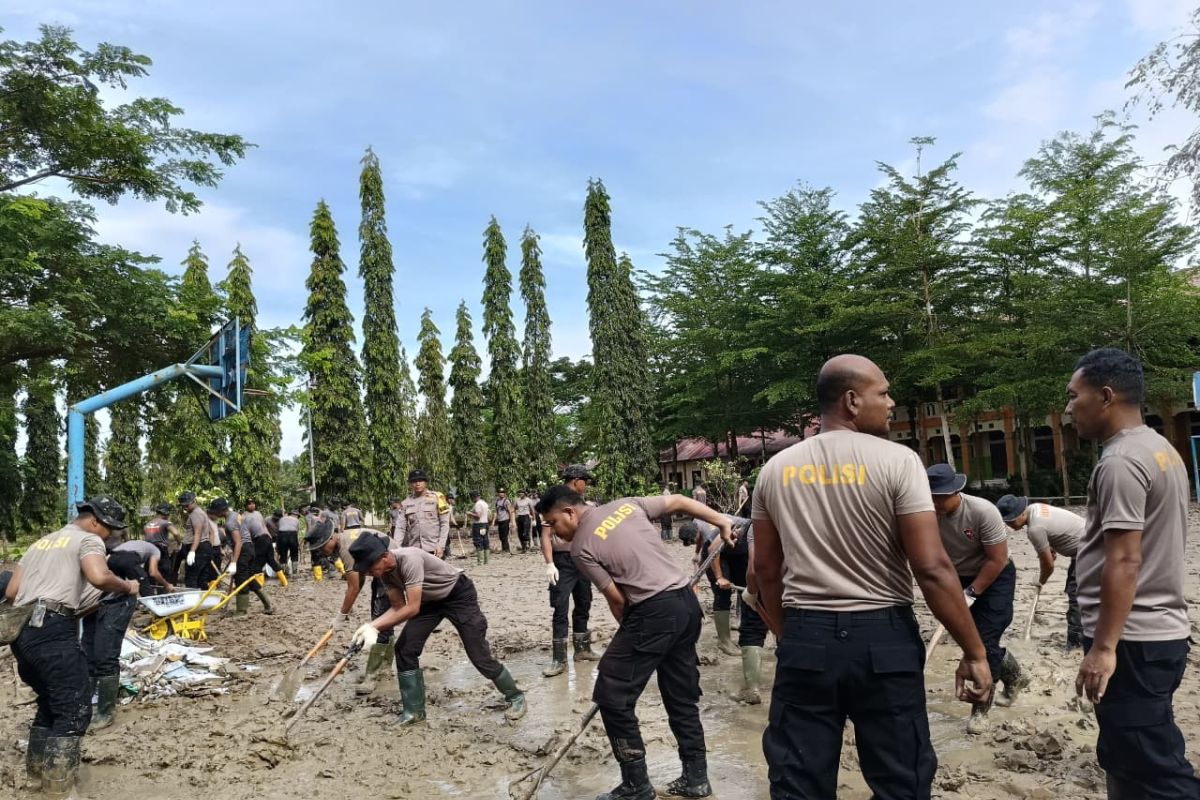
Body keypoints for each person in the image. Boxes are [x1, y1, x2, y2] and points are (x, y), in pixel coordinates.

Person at [753, 355, 991, 799]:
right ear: (852, 400)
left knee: (798, 780)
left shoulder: (775, 470)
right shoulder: (899, 462)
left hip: (807, 635)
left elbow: (764, 570)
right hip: (884, 639)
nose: (891, 402)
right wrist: (974, 651)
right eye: (883, 393)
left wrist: (790, 636)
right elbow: (932, 568)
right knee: (901, 777)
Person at [538, 485, 733, 800]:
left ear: (570, 512)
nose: (556, 534)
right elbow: (681, 501)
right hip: (686, 604)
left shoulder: (581, 548)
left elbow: (617, 600)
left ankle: (636, 785)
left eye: (554, 524)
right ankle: (696, 778)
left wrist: (631, 634)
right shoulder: (627, 504)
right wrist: (722, 522)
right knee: (681, 696)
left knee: (611, 693)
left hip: (653, 611)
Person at [1066, 347, 1200, 798]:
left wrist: (1104, 648)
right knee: (1125, 756)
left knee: (1155, 768)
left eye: (1073, 396)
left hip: (1134, 639)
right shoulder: (1161, 449)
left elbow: (1124, 559)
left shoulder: (1121, 462)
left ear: (1105, 396)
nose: (1068, 408)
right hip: (1157, 631)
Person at [3, 496, 139, 795]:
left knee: (50, 702)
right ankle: (59, 790)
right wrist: (127, 586)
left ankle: (36, 776)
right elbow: (99, 577)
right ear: (95, 521)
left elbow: (12, 591)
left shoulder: (42, 542)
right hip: (53, 629)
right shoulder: (89, 540)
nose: (110, 536)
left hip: (22, 633)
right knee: (75, 708)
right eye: (110, 529)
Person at [348, 536, 527, 724]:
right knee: (404, 649)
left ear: (384, 557)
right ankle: (413, 712)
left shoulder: (409, 559)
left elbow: (412, 608)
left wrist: (375, 626)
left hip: (458, 595)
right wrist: (370, 627)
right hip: (429, 603)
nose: (368, 573)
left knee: (478, 654)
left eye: (370, 568)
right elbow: (398, 606)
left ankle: (515, 696)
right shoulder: (384, 573)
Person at [927, 463, 1023, 732]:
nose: (934, 503)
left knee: (985, 638)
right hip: (956, 576)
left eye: (939, 497)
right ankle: (1016, 675)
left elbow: (997, 559)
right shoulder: (926, 515)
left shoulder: (982, 511)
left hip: (996, 575)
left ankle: (981, 707)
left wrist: (972, 593)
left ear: (955, 491)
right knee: (972, 641)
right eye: (930, 497)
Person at [85, 537, 173, 730]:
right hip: (125, 560)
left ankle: (90, 704)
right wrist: (166, 586)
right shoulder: (155, 551)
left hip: (110, 560)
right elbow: (153, 572)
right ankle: (152, 614)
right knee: (144, 586)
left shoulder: (135, 543)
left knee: (114, 591)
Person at [307, 522, 396, 695]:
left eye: (322, 546)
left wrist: (341, 616)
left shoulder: (346, 548)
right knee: (380, 616)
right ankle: (385, 666)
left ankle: (372, 675)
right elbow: (359, 579)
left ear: (331, 538)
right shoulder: (345, 540)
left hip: (389, 567)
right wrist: (346, 611)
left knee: (379, 621)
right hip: (381, 570)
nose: (322, 552)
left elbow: (353, 587)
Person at [996, 494, 1084, 650]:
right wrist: (1050, 547)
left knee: (1075, 594)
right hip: (1087, 545)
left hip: (1089, 551)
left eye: (1011, 521)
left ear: (1021, 513)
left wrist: (1040, 581)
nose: (1010, 526)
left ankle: (1076, 643)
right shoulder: (1035, 508)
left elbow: (1048, 565)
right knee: (1079, 592)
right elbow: (1055, 528)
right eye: (1007, 522)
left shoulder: (1035, 529)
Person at [541, 464, 601, 677]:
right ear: (577, 480)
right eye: (585, 481)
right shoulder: (555, 500)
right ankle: (559, 659)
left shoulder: (584, 503)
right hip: (562, 561)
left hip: (583, 558)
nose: (586, 485)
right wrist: (549, 563)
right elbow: (546, 536)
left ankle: (582, 649)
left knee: (584, 602)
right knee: (560, 607)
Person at [692, 515, 742, 656]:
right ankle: (724, 641)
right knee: (722, 593)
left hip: (731, 550)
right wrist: (719, 577)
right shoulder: (699, 521)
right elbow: (709, 545)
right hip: (714, 549)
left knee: (744, 586)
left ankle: (744, 632)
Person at [220, 497, 273, 615]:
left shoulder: (229, 522)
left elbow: (238, 542)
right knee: (249, 577)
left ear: (220, 510)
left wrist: (234, 562)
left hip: (243, 549)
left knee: (241, 580)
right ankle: (268, 603)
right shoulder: (235, 514)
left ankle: (241, 611)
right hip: (249, 547)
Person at [396, 470, 452, 558]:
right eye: (414, 481)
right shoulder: (405, 503)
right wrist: (396, 548)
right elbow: (400, 528)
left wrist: (441, 545)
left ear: (425, 482)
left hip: (434, 549)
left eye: (420, 481)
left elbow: (444, 524)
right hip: (414, 549)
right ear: (410, 484)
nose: (417, 484)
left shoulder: (437, 498)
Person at [244, 499, 287, 588]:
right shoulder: (244, 516)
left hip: (263, 538)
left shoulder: (258, 513)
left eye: (253, 503)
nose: (252, 505)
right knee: (270, 560)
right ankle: (284, 581)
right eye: (249, 504)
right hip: (261, 538)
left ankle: (259, 585)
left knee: (257, 562)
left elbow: (263, 525)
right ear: (246, 506)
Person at [180, 491, 219, 589]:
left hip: (198, 549)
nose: (185, 508)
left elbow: (198, 533)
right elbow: (211, 532)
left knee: (191, 579)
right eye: (183, 506)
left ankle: (194, 603)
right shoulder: (201, 513)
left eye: (187, 505)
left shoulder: (196, 514)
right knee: (202, 579)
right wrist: (209, 547)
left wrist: (192, 551)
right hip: (203, 548)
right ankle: (204, 602)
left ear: (194, 501)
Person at [142, 503, 179, 583]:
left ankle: (150, 593)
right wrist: (179, 542)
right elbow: (176, 533)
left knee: (150, 572)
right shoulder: (165, 522)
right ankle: (163, 592)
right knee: (165, 573)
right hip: (160, 550)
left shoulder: (147, 525)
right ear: (166, 512)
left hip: (148, 550)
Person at [468, 491, 490, 565]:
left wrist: (469, 513)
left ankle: (480, 562)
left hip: (479, 525)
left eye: (471, 498)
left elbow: (478, 516)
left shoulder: (478, 504)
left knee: (478, 541)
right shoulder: (484, 503)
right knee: (485, 541)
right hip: (485, 524)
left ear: (473, 497)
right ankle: (486, 561)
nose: (471, 500)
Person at [276, 509, 301, 576]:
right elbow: (297, 532)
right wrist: (298, 543)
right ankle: (295, 573)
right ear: (295, 515)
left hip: (282, 535)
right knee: (294, 554)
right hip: (293, 534)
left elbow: (278, 530)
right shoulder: (297, 520)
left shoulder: (281, 519)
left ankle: (283, 573)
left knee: (283, 554)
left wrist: (278, 546)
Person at [494, 488, 513, 554]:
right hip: (500, 520)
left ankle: (506, 549)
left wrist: (511, 521)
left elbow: (510, 512)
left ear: (504, 493)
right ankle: (503, 548)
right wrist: (493, 521)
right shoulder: (497, 501)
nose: (501, 493)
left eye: (502, 492)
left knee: (505, 535)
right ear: (498, 493)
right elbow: (496, 512)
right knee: (501, 536)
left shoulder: (506, 501)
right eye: (500, 492)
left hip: (505, 520)